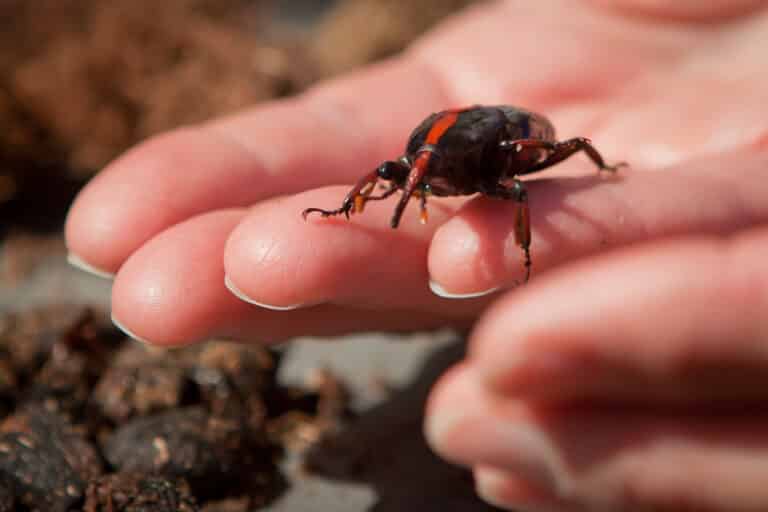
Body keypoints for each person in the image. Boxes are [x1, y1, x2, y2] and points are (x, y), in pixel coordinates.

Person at [65, 0, 768, 509]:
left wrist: (536, 221)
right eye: (417, 171)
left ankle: (591, 182)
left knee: (528, 192)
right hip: (452, 139)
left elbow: (526, 178)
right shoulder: (419, 158)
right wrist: (361, 202)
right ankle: (343, 212)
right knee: (375, 184)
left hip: (505, 136)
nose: (419, 180)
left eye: (427, 175)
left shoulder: (493, 162)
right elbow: (400, 166)